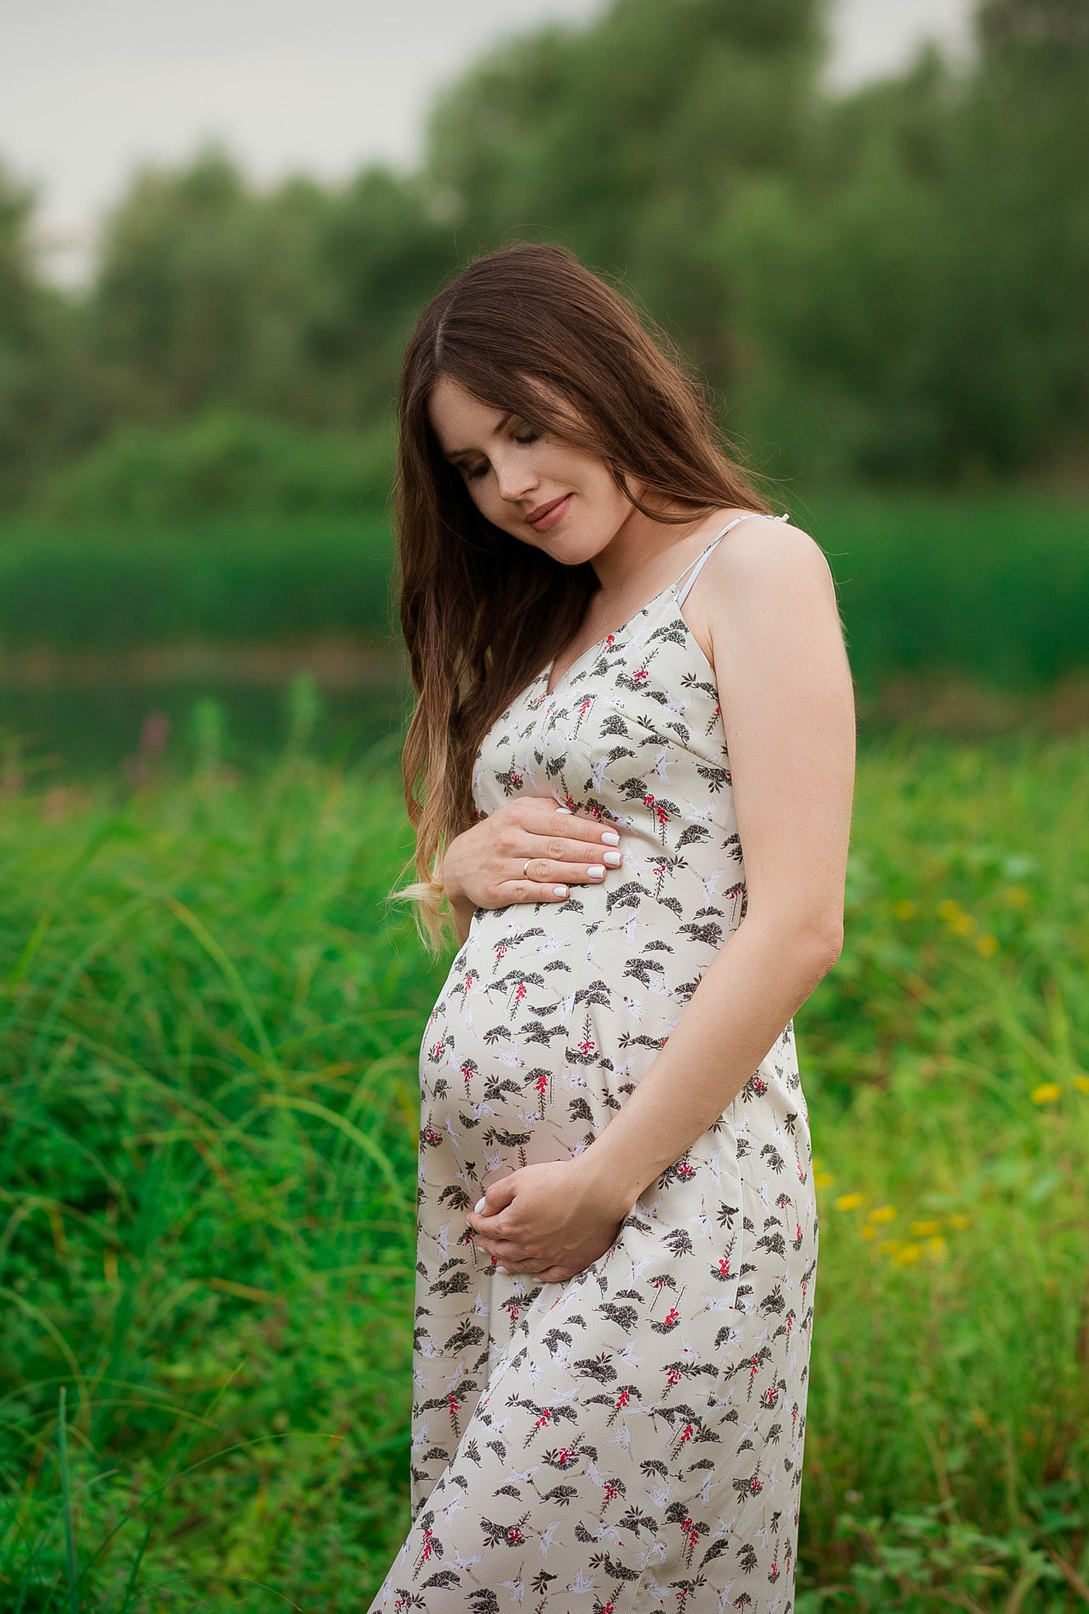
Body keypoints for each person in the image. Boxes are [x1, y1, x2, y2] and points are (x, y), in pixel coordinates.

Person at [374, 245, 854, 1611]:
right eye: (471, 465)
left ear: (603, 374)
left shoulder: (754, 568)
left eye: (524, 427)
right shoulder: (563, 621)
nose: (509, 483)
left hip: (667, 1199)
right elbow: (583, 860)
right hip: (509, 1227)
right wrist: (453, 868)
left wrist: (611, 1179)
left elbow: (800, 923)